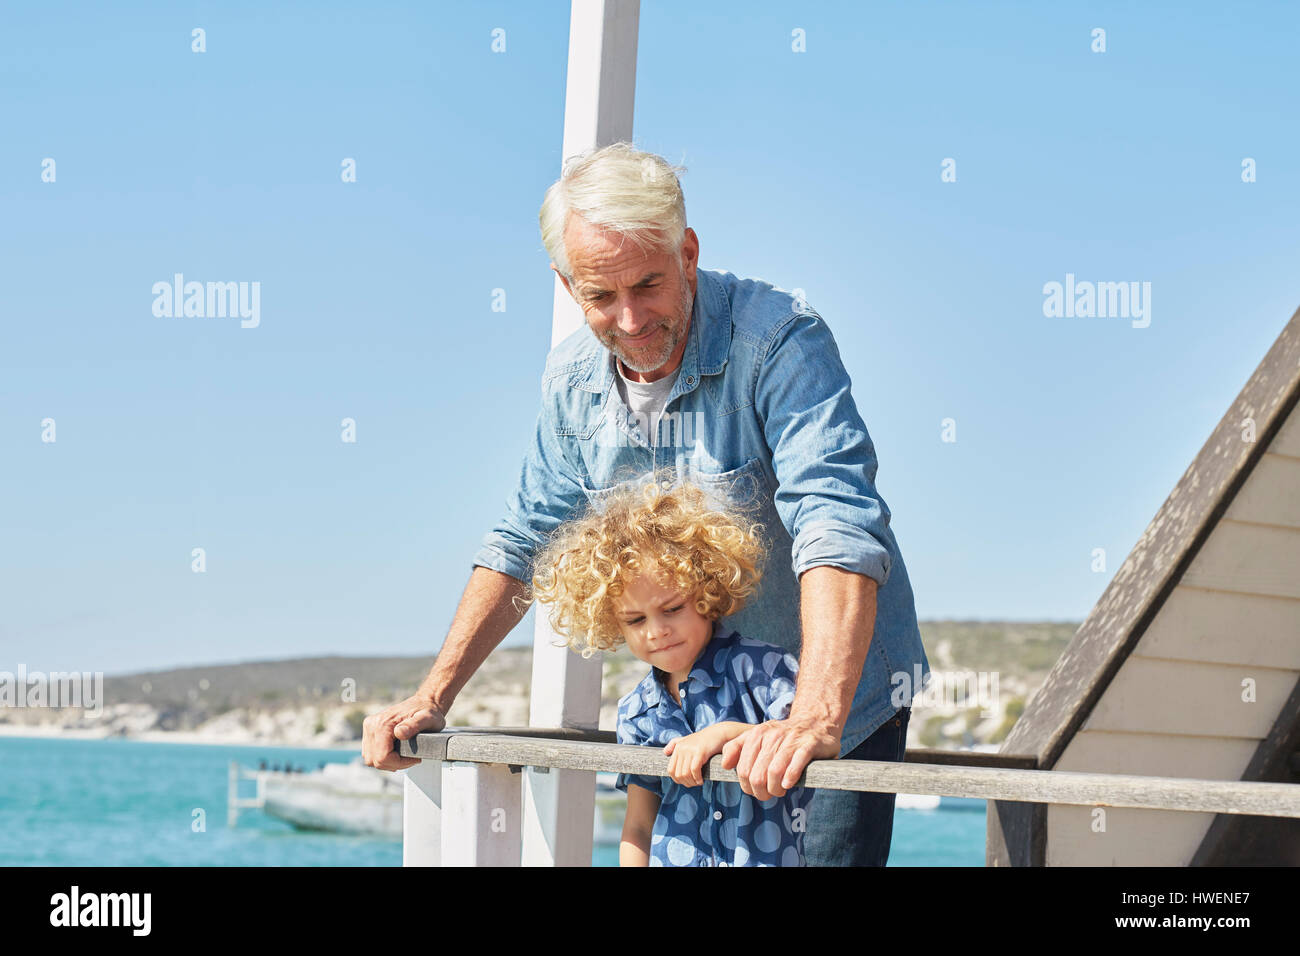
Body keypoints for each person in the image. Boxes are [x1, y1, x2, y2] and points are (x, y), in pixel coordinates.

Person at [362, 141, 930, 866]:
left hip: (828, 706)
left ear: (688, 252)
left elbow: (837, 524)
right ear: (568, 288)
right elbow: (526, 538)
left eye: (649, 285)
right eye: (602, 296)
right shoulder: (572, 383)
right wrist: (432, 697)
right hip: (689, 723)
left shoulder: (781, 339)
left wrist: (812, 719)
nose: (630, 320)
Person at [525, 474, 815, 867]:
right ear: (612, 623)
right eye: (634, 620)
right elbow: (639, 825)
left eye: (672, 608)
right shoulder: (635, 713)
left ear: (707, 589)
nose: (656, 631)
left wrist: (724, 734)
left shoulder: (764, 670)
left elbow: (804, 742)